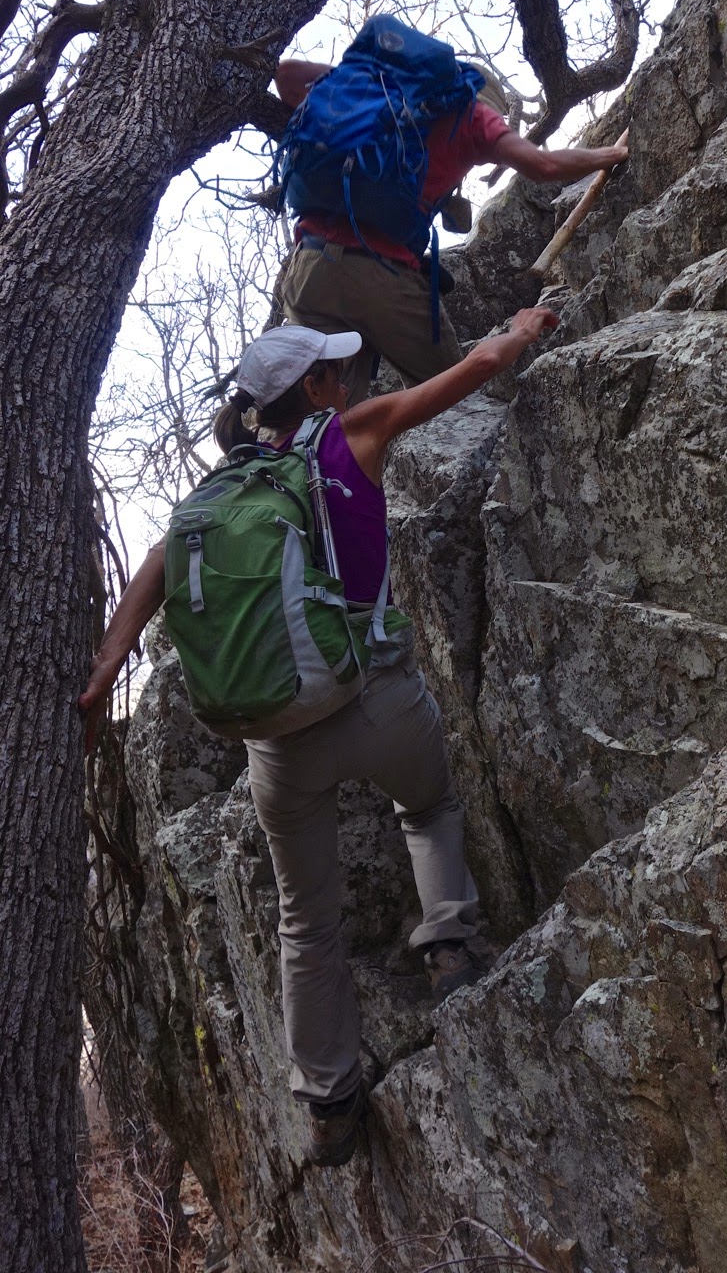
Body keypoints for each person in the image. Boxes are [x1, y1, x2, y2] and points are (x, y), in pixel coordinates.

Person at [79, 303, 561, 1168]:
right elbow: (476, 368)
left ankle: (329, 1101)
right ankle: (448, 941)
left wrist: (109, 662)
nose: (348, 375)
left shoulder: (215, 493)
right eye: (334, 368)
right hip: (374, 701)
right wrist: (525, 327)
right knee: (430, 806)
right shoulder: (350, 434)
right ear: (315, 387)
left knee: (306, 921)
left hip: (275, 743)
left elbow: (156, 562)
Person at [274, 54, 627, 401]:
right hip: (374, 273)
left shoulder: (389, 99)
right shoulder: (475, 120)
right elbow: (545, 165)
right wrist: (607, 155)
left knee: (326, 405)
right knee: (450, 391)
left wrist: (356, 80)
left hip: (307, 275)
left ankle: (291, 453)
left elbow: (286, 76)